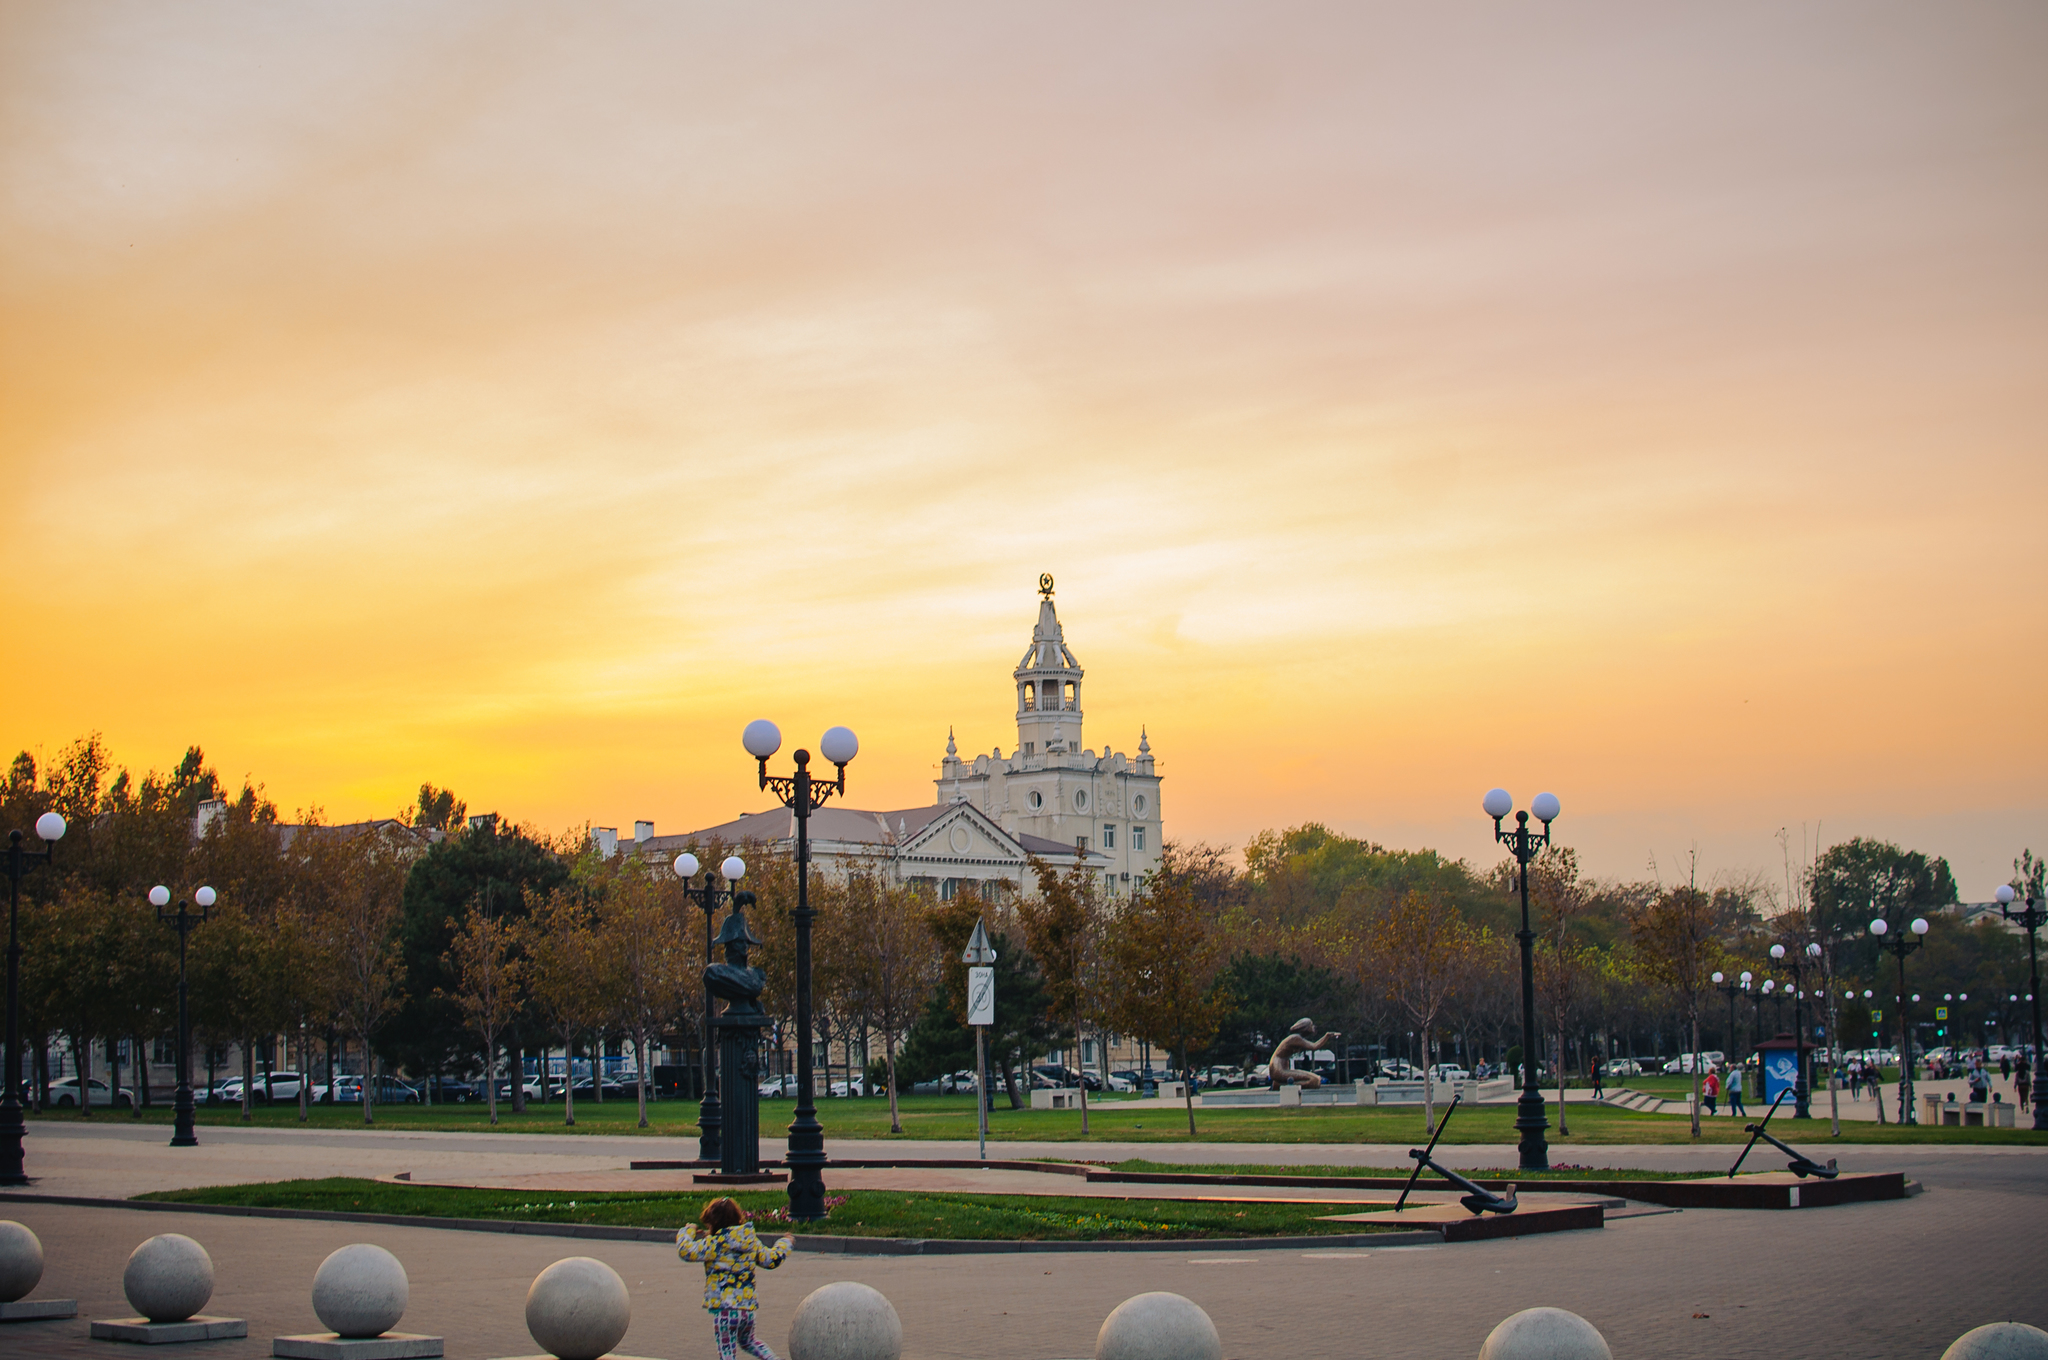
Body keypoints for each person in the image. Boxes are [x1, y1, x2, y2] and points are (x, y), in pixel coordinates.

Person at [678, 1197, 794, 1360]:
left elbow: (686, 1251)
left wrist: (687, 1231)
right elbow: (770, 1260)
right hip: (747, 1311)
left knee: (727, 1353)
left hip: (725, 1311)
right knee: (750, 1341)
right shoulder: (749, 1240)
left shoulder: (715, 1243)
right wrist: (785, 1243)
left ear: (714, 1223)